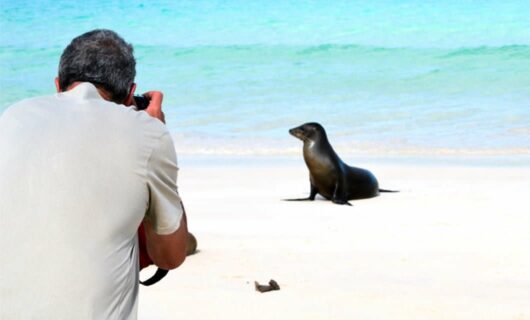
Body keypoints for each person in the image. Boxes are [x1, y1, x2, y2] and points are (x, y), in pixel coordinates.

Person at [0, 29, 188, 319]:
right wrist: (157, 131)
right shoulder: (147, 132)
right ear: (130, 94)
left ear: (57, 85)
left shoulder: (12, 117)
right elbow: (170, 256)